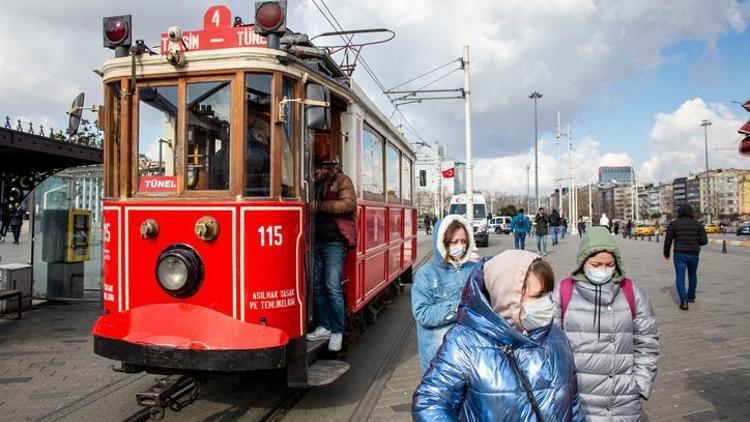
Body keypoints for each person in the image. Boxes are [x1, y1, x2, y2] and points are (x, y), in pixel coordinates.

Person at [413, 250, 585, 421]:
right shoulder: (465, 342)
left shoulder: (556, 336)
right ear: (507, 297)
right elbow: (430, 402)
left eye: (548, 294)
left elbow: (573, 402)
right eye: (537, 296)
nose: (546, 303)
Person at [553, 226, 659, 421]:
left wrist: (640, 383)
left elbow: (647, 341)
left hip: (623, 400)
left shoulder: (631, 292)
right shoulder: (563, 293)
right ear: (583, 261)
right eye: (596, 264)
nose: (603, 269)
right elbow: (550, 347)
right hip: (577, 400)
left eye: (609, 264)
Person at [411, 215, 477, 374]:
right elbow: (423, 313)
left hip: (471, 358)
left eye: (463, 241)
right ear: (442, 243)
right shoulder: (426, 274)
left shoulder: (474, 270)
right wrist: (460, 307)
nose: (460, 246)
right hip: (440, 361)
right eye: (454, 242)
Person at [306, 160, 357, 352]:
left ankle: (337, 331)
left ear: (325, 168)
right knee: (317, 286)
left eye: (317, 169)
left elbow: (349, 204)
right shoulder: (314, 183)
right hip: (316, 242)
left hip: (334, 242)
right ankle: (325, 327)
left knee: (332, 287)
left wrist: (319, 206)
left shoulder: (342, 180)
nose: (315, 173)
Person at [663, 204, 708, 310]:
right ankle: (691, 297)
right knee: (692, 274)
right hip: (694, 254)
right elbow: (704, 241)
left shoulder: (674, 224)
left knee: (680, 277)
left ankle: (683, 301)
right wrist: (695, 241)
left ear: (679, 213)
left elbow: (668, 240)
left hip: (679, 254)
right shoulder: (698, 225)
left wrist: (666, 253)